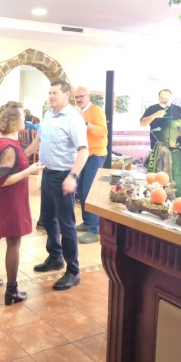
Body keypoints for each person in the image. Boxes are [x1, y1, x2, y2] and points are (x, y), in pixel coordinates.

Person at [25, 81, 88, 291]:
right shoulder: (48, 115)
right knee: (48, 219)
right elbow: (39, 141)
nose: (51, 96)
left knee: (66, 225)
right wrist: (21, 156)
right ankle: (55, 257)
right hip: (48, 174)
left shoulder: (73, 119)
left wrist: (72, 176)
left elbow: (84, 151)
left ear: (66, 95)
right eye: (49, 93)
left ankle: (73, 271)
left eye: (55, 93)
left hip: (64, 176)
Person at [0, 101, 44, 305]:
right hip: (8, 199)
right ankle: (11, 291)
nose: (25, 119)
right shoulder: (9, 147)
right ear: (15, 120)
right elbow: (3, 180)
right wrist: (29, 171)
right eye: (23, 116)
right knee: (13, 242)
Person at [140, 89, 181, 197]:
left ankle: (177, 198)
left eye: (167, 98)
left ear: (171, 98)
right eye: (162, 98)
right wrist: (155, 115)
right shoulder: (152, 109)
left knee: (177, 173)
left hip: (176, 148)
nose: (164, 100)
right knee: (159, 173)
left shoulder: (178, 110)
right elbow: (142, 123)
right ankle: (157, 197)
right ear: (159, 97)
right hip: (158, 148)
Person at [73, 87, 108, 244]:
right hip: (83, 154)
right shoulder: (78, 112)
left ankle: (95, 230)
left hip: (96, 154)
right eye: (76, 97)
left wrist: (86, 123)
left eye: (81, 96)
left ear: (89, 96)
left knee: (89, 190)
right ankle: (87, 222)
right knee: (81, 189)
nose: (79, 99)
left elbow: (103, 132)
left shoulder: (96, 110)